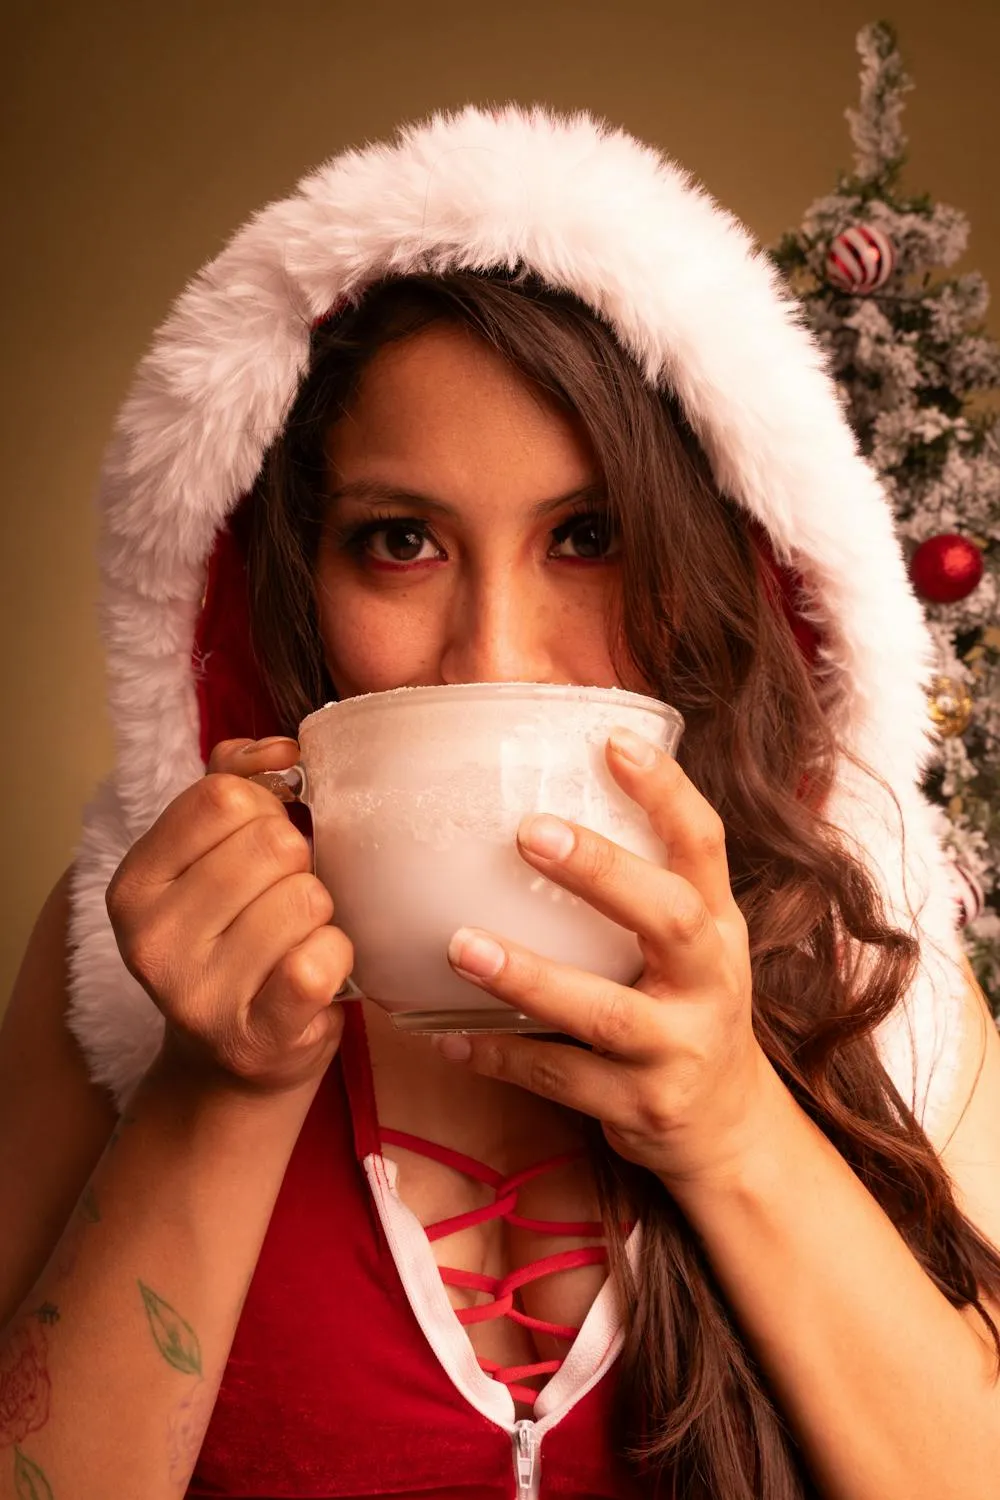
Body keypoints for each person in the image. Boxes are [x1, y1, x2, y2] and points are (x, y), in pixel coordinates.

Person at [1, 104, 999, 1500]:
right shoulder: (143, 952)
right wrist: (218, 1090)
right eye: (400, 541)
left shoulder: (861, 948)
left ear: (713, 568)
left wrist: (730, 1125)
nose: (493, 654)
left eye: (588, 537)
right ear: (299, 581)